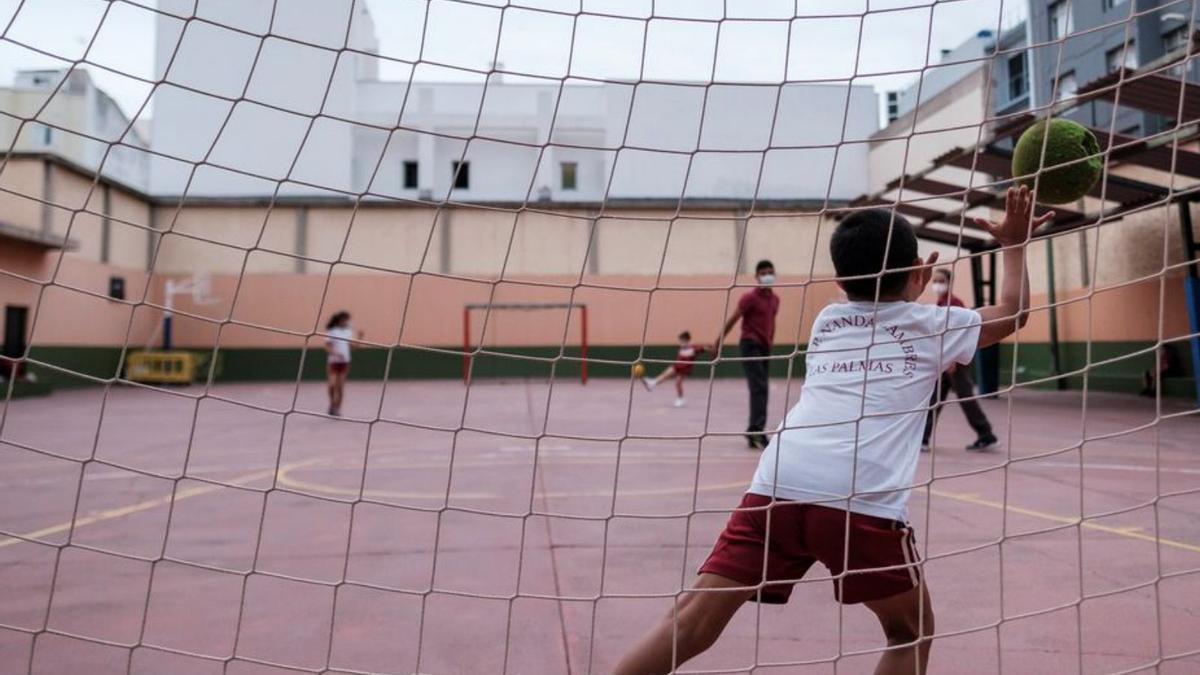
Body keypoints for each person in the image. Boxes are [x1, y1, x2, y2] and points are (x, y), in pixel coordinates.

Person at [614, 187, 1051, 675]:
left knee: (688, 622)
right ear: (916, 274)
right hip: (859, 496)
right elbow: (1013, 313)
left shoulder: (829, 320)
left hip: (777, 484)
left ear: (841, 280)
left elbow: (881, 309)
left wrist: (906, 286)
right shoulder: (934, 326)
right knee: (910, 631)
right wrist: (1013, 244)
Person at [922, 268, 998, 452]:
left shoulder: (954, 303)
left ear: (949, 282)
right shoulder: (940, 302)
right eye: (935, 281)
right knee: (934, 399)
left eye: (940, 281)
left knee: (965, 397)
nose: (937, 284)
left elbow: (958, 332)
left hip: (953, 360)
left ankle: (986, 434)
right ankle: (922, 438)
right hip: (943, 359)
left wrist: (953, 360)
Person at [718, 259, 781, 449]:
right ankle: (756, 431)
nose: (767, 276)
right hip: (750, 344)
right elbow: (732, 319)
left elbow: (771, 323)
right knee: (760, 387)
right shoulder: (749, 298)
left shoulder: (775, 299)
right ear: (757, 277)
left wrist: (770, 343)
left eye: (770, 272)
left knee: (760, 388)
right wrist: (717, 343)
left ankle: (753, 430)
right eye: (763, 273)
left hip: (764, 347)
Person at [642, 331, 709, 407]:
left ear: (686, 339)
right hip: (677, 366)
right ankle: (653, 383)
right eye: (680, 340)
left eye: (681, 340)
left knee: (678, 383)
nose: (680, 342)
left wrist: (708, 349)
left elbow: (703, 348)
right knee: (665, 375)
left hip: (684, 369)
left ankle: (681, 399)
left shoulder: (693, 347)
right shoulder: (682, 348)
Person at [324, 311, 361, 417]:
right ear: (340, 320)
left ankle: (337, 408)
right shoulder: (332, 331)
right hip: (333, 362)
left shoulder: (348, 332)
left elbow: (354, 347)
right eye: (345, 319)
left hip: (344, 362)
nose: (347, 322)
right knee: (332, 384)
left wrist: (360, 337)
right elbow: (327, 346)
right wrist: (335, 353)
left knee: (340, 386)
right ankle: (332, 403)